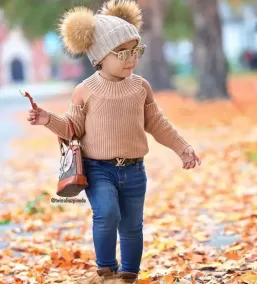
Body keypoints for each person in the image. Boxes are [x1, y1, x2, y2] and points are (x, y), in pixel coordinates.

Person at [26, 0, 201, 283]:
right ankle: (106, 269)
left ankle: (129, 274)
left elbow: (157, 122)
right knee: (106, 214)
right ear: (99, 57)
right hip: (99, 169)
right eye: (122, 52)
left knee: (132, 225)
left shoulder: (140, 87)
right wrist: (48, 119)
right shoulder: (85, 91)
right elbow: (72, 128)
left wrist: (183, 148)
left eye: (136, 50)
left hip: (134, 170)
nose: (131, 58)